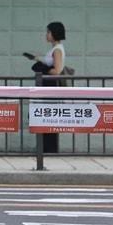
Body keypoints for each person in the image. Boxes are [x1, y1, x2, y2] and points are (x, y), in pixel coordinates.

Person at [31, 21, 67, 154]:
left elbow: (57, 70)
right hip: (48, 85)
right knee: (46, 115)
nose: (46, 35)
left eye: (48, 32)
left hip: (51, 85)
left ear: (54, 33)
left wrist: (44, 70)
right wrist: (38, 60)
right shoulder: (55, 48)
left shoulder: (57, 50)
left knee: (48, 116)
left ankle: (49, 148)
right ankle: (46, 147)